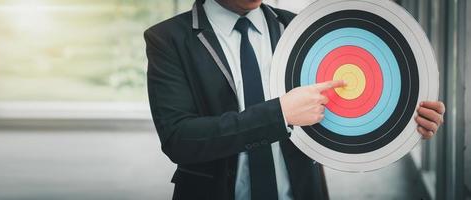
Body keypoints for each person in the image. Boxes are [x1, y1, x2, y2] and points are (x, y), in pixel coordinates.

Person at [144, 0, 446, 199]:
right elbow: (179, 139)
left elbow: (351, 102)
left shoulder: (303, 29)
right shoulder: (167, 39)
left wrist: (408, 119)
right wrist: (279, 114)